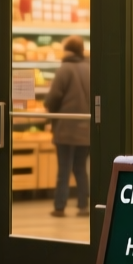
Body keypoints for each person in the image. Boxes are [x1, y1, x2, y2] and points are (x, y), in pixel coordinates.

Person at [43, 35, 91, 217]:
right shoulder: (90, 68)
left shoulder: (65, 69)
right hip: (86, 130)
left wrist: (50, 114)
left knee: (64, 168)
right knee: (80, 168)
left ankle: (59, 206)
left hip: (66, 128)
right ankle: (83, 205)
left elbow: (53, 97)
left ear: (67, 51)